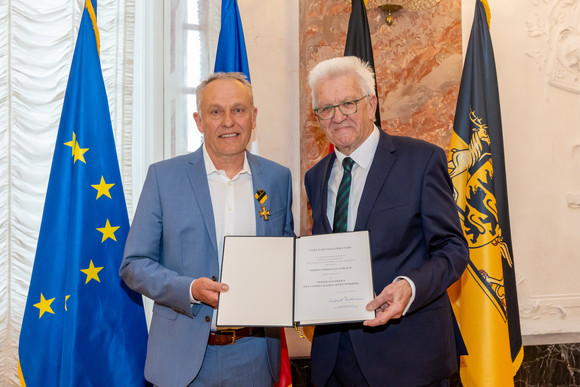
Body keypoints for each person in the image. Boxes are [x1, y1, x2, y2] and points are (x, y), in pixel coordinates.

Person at [120, 72, 294, 386]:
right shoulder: (164, 178)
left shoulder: (277, 178)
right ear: (200, 121)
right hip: (181, 360)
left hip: (254, 357)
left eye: (238, 110)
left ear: (253, 117)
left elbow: (286, 254)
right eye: (216, 111)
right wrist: (189, 289)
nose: (228, 121)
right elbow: (134, 266)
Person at [304, 56, 469, 387]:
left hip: (408, 357)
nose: (337, 117)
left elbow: (453, 249)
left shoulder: (421, 160)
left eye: (347, 103)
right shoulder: (315, 177)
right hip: (334, 359)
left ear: (371, 103)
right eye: (325, 108)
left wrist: (409, 286)